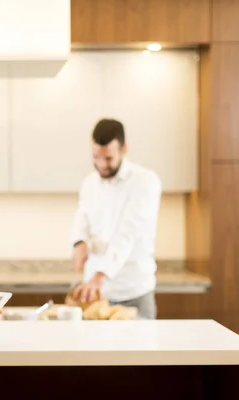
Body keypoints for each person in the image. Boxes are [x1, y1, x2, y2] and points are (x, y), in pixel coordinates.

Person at [65, 119, 162, 320]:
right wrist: (79, 242)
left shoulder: (145, 182)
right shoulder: (90, 183)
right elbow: (81, 218)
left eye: (108, 158)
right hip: (97, 295)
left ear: (124, 149)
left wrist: (99, 276)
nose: (101, 165)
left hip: (133, 291)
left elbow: (127, 233)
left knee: (138, 351)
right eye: (96, 157)